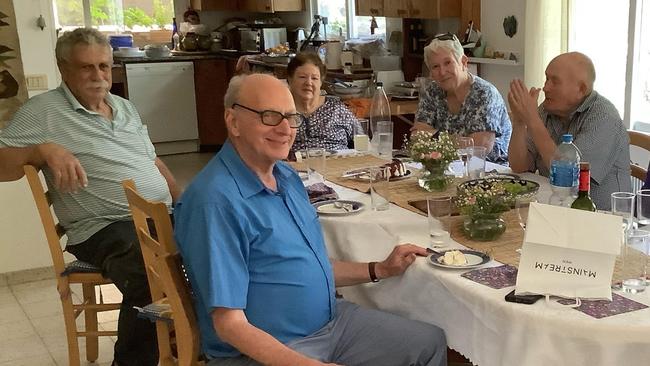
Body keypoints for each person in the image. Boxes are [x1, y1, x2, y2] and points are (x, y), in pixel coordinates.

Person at [174, 73, 447, 366]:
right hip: (265, 350)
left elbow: (309, 266)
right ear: (233, 121)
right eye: (269, 116)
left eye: (291, 118)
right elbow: (229, 325)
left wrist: (378, 268)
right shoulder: (215, 202)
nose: (284, 129)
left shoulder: (287, 177)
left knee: (428, 342)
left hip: (331, 324)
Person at [0, 28, 180, 366]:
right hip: (105, 226)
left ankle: (192, 347)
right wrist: (41, 148)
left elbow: (152, 161)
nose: (98, 76)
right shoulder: (44, 112)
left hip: (157, 215)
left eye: (103, 66)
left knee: (220, 246)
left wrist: (183, 201)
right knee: (149, 270)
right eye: (86, 67)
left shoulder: (125, 108)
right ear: (63, 68)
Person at [508, 52, 631, 210]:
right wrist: (519, 121)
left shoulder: (604, 116)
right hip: (557, 209)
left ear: (581, 89)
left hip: (603, 218)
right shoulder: (546, 111)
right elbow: (520, 166)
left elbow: (568, 176)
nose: (545, 87)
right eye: (546, 79)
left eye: (555, 81)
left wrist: (532, 120)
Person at [412, 33, 512, 164]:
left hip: (489, 172)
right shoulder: (433, 91)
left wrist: (434, 135)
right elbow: (417, 137)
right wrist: (460, 141)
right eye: (435, 66)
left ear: (463, 62)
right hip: (444, 167)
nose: (442, 72)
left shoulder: (484, 93)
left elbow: (478, 149)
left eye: (448, 63)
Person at [288, 52, 361, 151]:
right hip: (294, 165)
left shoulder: (337, 109)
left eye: (314, 78)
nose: (308, 83)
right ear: (290, 79)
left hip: (339, 164)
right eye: (302, 77)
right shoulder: (282, 111)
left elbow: (363, 143)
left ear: (321, 83)